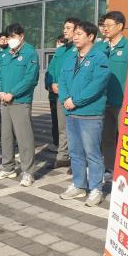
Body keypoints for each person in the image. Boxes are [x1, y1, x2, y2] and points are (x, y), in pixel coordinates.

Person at [58, 21, 111, 206]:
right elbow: (62, 80)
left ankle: (96, 189)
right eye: (75, 34)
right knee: (75, 153)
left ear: (91, 37)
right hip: (71, 113)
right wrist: (65, 99)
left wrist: (76, 101)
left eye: (79, 34)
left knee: (92, 153)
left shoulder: (99, 57)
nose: (75, 37)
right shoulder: (71, 58)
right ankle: (78, 185)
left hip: (90, 114)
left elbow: (97, 85)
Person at [0, 23, 40, 187]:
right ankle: (8, 168)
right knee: (5, 136)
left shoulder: (30, 53)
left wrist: (12, 93)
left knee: (24, 137)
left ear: (21, 36)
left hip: (20, 101)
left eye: (13, 36)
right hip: (4, 100)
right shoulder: (6, 54)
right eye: (9, 37)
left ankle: (28, 172)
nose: (10, 40)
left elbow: (30, 79)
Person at [100, 11, 128, 178]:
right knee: (107, 137)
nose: (105, 28)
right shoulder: (101, 48)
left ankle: (127, 170)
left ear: (120, 26)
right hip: (104, 101)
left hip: (124, 102)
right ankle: (109, 167)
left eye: (109, 25)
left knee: (126, 137)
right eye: (104, 25)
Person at [46, 17, 81, 170]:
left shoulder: (80, 49)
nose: (65, 30)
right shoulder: (60, 50)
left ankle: (77, 160)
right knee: (63, 128)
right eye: (64, 28)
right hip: (59, 94)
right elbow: (51, 69)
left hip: (73, 95)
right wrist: (52, 83)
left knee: (76, 129)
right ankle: (63, 157)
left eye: (68, 28)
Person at [45, 34, 65, 152]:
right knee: (55, 120)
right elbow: (48, 73)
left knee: (63, 124)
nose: (59, 45)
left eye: (61, 43)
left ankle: (63, 147)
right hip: (53, 95)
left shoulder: (69, 55)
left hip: (63, 95)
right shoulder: (55, 57)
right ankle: (56, 142)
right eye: (58, 42)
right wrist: (50, 85)